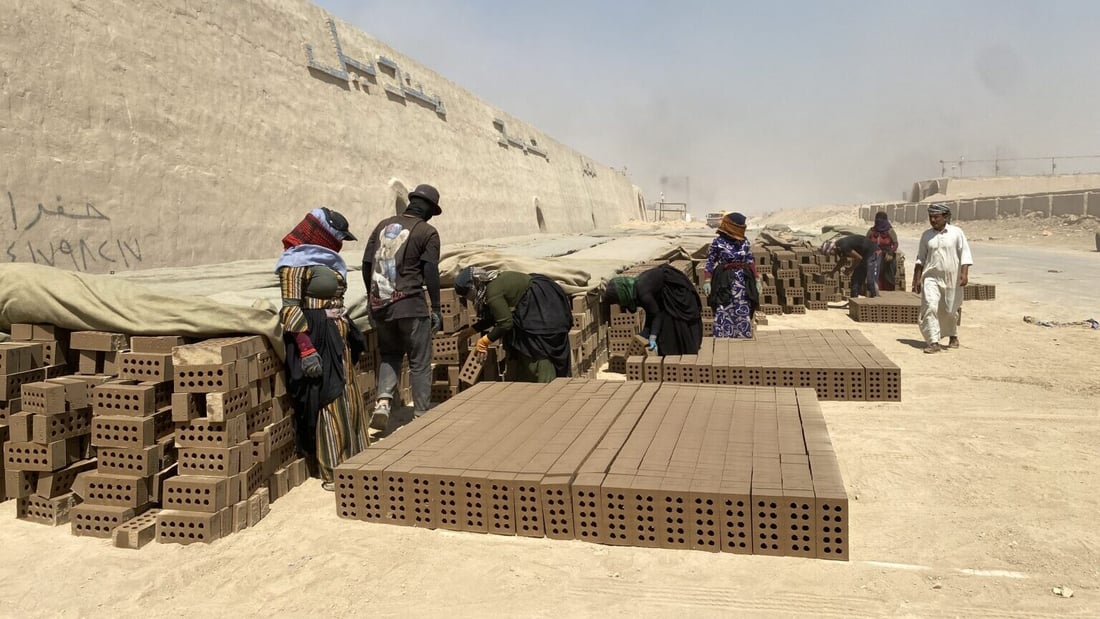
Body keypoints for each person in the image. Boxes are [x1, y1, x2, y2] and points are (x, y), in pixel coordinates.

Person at [276, 207, 368, 490]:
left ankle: (356, 459)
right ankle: (334, 470)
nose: (340, 243)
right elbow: (290, 310)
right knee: (330, 396)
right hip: (316, 335)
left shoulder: (326, 262)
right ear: (323, 234)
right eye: (337, 236)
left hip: (337, 334)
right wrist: (306, 349)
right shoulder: (294, 264)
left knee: (348, 392)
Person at [362, 184, 443, 432]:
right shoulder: (427, 232)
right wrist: (436, 307)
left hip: (381, 305)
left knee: (390, 354)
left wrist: (372, 296)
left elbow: (366, 264)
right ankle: (420, 415)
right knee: (419, 360)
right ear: (429, 209)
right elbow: (430, 270)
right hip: (411, 305)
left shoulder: (382, 225)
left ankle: (383, 402)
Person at [453, 267, 573, 382]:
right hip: (536, 302)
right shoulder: (490, 284)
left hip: (542, 307)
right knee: (527, 348)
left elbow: (505, 323)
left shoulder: (492, 292)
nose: (469, 299)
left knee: (539, 348)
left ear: (474, 286)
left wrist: (484, 342)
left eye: (468, 295)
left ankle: (547, 385)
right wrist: (470, 331)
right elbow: (495, 316)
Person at [912, 202, 973, 354]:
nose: (933, 220)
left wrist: (964, 274)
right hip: (931, 277)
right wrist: (917, 279)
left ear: (945, 217)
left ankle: (953, 335)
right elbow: (921, 258)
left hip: (952, 278)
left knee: (950, 310)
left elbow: (965, 254)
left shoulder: (956, 233)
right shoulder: (926, 235)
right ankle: (933, 342)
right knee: (930, 306)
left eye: (936, 217)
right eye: (930, 217)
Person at [603, 264, 703, 356]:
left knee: (673, 324)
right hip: (665, 294)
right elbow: (650, 312)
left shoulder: (642, 292)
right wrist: (643, 335)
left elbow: (656, 314)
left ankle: (683, 355)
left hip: (677, 294)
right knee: (663, 326)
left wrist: (652, 337)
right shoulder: (637, 289)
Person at [702, 212, 759, 338]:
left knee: (743, 307)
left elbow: (750, 260)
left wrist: (757, 279)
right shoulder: (718, 242)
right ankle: (723, 338)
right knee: (723, 307)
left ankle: (742, 337)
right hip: (724, 280)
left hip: (742, 281)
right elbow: (710, 261)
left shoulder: (744, 242)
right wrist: (707, 280)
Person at [821, 233, 881, 298]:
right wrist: (832, 272)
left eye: (830, 253)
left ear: (832, 248)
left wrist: (849, 269)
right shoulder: (838, 248)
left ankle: (876, 300)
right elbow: (843, 261)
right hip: (864, 255)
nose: (831, 255)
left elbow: (858, 258)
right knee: (855, 280)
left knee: (870, 280)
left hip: (873, 253)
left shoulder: (843, 246)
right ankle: (854, 302)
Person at [867, 211, 899, 291]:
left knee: (889, 271)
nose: (878, 221)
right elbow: (866, 242)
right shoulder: (871, 231)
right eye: (877, 219)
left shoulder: (890, 231)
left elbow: (895, 243)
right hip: (874, 254)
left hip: (887, 255)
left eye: (881, 219)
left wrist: (891, 252)